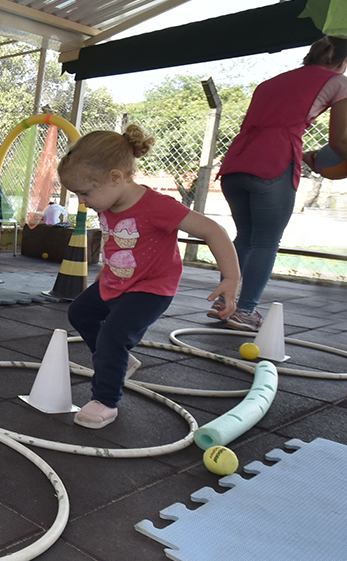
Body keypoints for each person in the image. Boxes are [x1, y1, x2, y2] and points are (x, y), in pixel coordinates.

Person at [58, 126, 241, 429]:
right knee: (80, 313)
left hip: (151, 289)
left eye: (85, 192)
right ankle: (121, 362)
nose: (82, 200)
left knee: (113, 336)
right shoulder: (108, 200)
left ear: (116, 177)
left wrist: (231, 277)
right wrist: (105, 276)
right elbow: (119, 246)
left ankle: (106, 401)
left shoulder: (158, 206)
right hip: (116, 282)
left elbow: (213, 230)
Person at [216, 35, 347, 331]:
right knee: (266, 242)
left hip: (237, 161)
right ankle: (244, 311)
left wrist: (305, 154)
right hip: (274, 163)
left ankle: (223, 304)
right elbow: (339, 140)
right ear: (344, 61)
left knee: (244, 237)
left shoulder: (272, 82)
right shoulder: (340, 83)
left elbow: (272, 126)